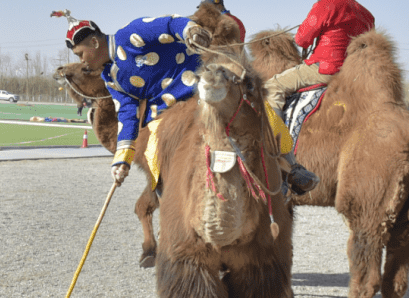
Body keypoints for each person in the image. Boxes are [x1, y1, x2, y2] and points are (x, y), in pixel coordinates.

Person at [65, 13, 317, 193]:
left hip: (200, 84)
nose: (82, 61)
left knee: (256, 106)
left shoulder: (129, 34)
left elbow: (169, 24)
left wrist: (189, 31)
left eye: (80, 54)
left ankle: (291, 167)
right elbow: (127, 115)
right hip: (163, 112)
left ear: (94, 43)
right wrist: (121, 161)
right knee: (152, 156)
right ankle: (173, 207)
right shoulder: (111, 79)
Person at [263, 0, 375, 113]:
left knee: (272, 86)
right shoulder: (367, 14)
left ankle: (276, 134)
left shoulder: (325, 5)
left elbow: (301, 40)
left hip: (325, 69)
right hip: (354, 75)